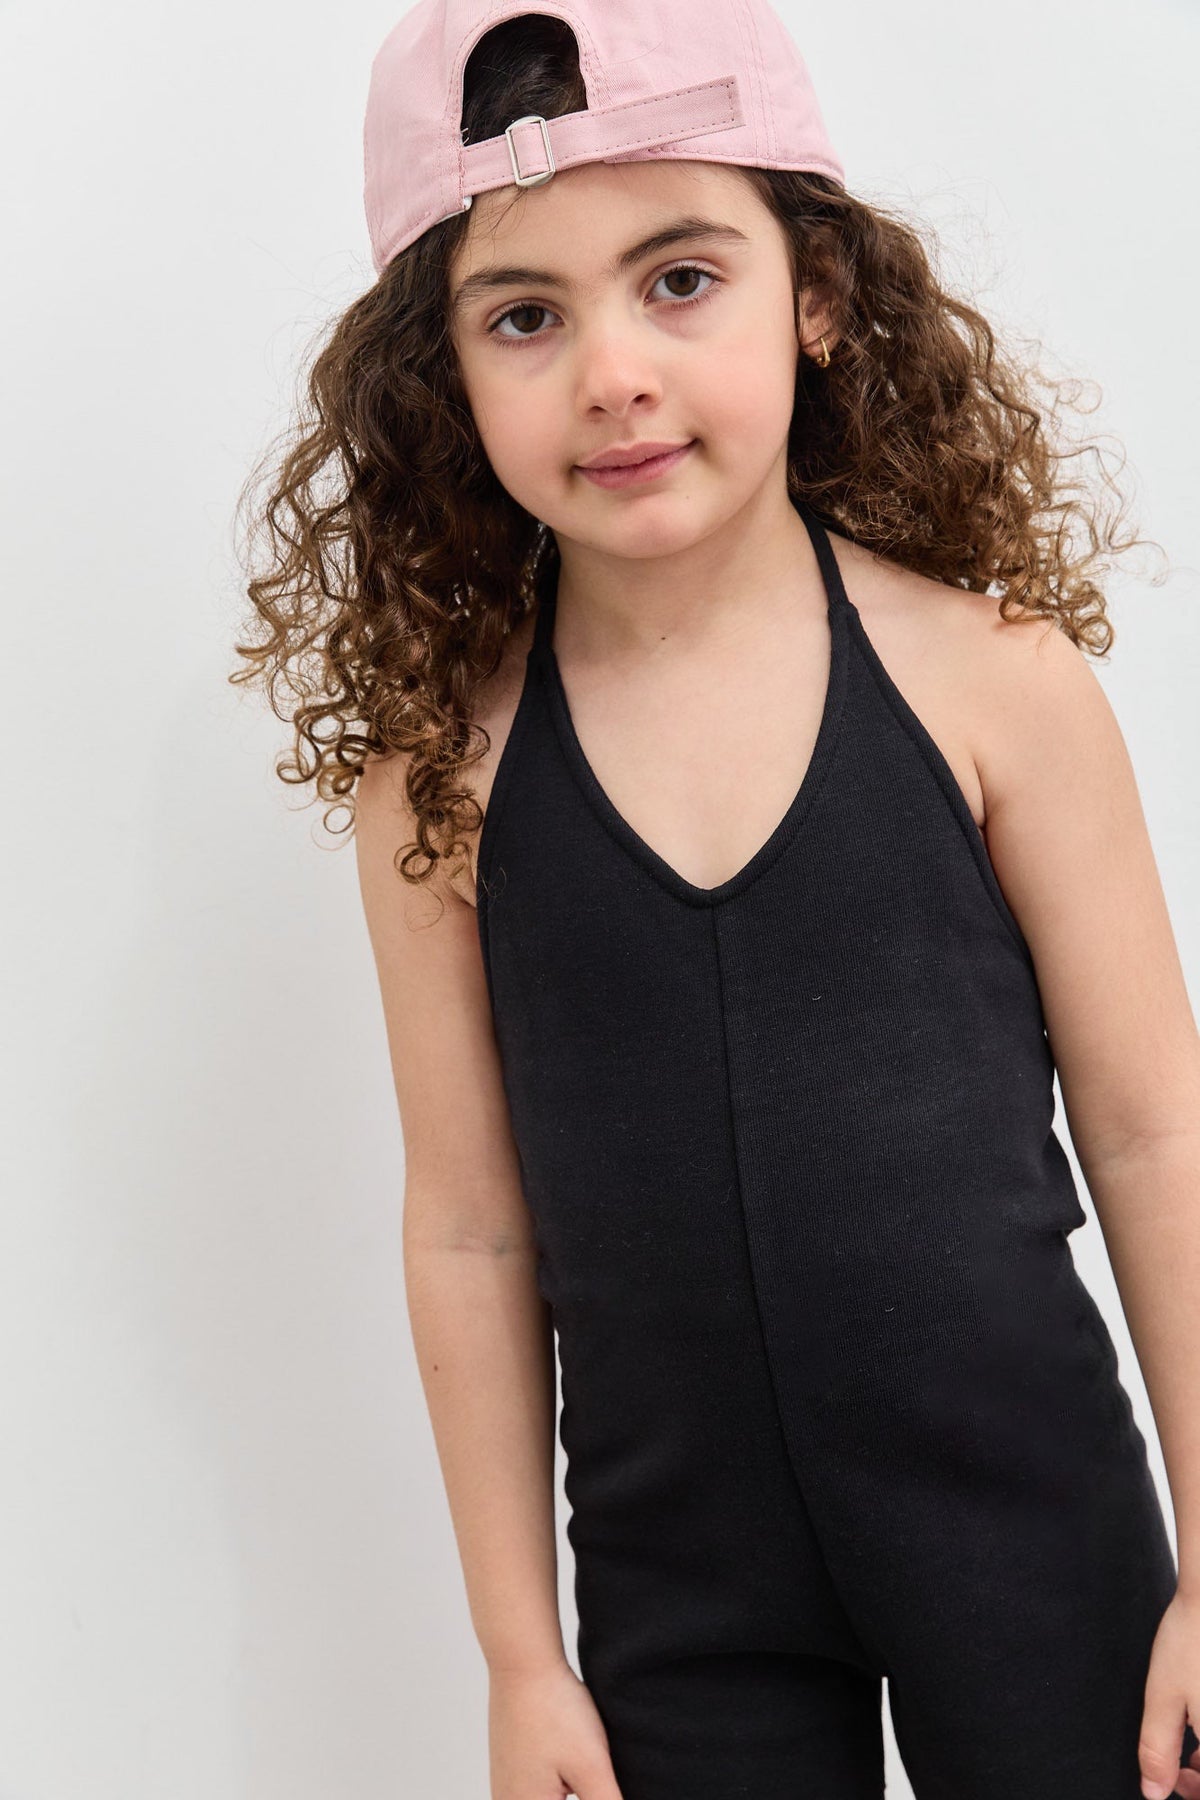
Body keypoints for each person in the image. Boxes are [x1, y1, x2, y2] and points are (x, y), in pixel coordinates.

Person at [230, 2, 1200, 1795]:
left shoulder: (996, 687)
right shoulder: (440, 783)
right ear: (443, 379)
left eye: (679, 280)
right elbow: (470, 1231)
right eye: (525, 316)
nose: (612, 373)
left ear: (814, 294)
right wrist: (521, 1663)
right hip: (680, 1603)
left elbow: (1156, 1135)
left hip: (1035, 1540)